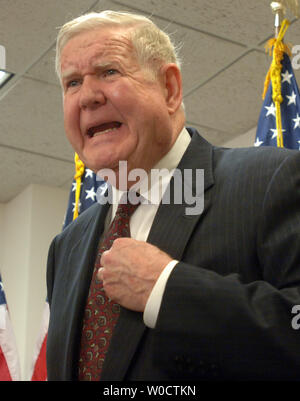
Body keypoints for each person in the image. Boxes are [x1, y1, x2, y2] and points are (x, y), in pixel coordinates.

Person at [46, 10, 300, 381]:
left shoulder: (272, 180)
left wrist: (167, 290)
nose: (86, 97)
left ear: (169, 88)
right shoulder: (65, 245)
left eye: (109, 71)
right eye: (72, 83)